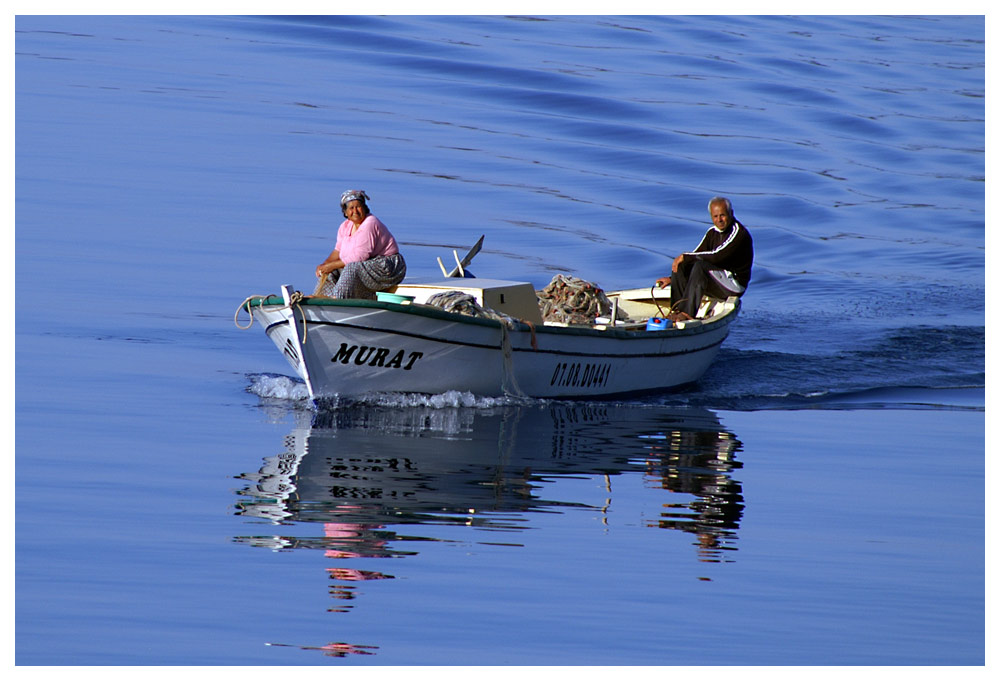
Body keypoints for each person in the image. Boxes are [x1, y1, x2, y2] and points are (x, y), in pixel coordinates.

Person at [656, 197, 753, 321]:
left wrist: (685, 256)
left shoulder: (739, 234)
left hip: (734, 284)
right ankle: (677, 311)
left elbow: (717, 256)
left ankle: (686, 313)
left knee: (699, 266)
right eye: (715, 216)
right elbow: (697, 254)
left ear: (731, 213)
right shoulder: (712, 232)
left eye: (722, 215)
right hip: (717, 279)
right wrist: (672, 278)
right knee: (683, 264)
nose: (719, 220)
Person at [315, 190, 407, 299]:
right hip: (368, 265)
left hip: (388, 267)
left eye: (358, 207)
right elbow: (337, 251)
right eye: (351, 208)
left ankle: (337, 299)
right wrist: (325, 265)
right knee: (331, 271)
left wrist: (331, 265)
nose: (355, 211)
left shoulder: (370, 223)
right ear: (345, 212)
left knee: (351, 268)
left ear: (364, 208)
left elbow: (360, 257)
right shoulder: (345, 226)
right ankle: (323, 297)